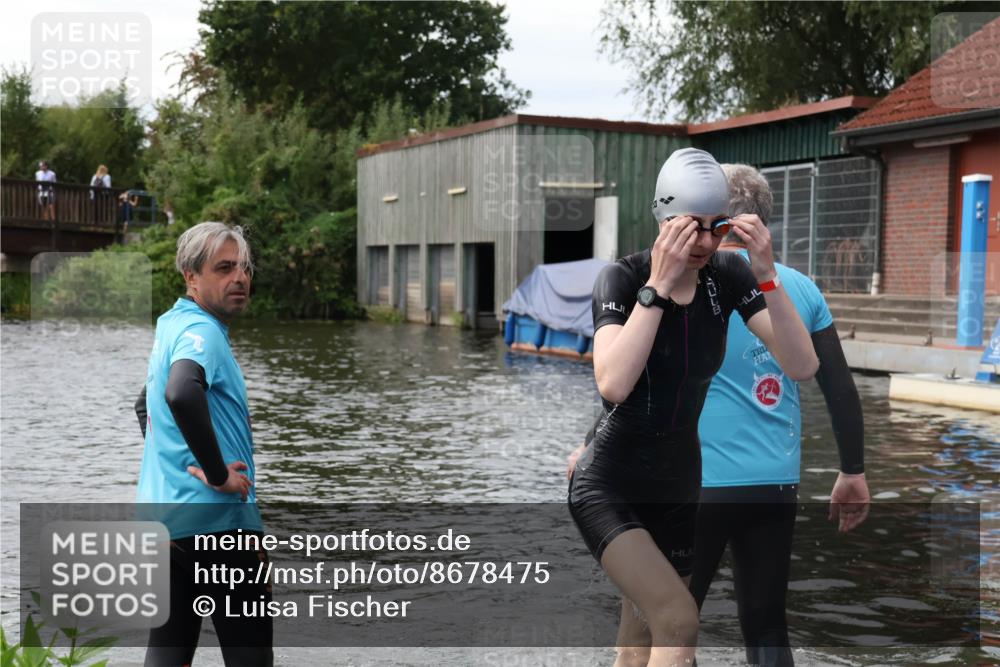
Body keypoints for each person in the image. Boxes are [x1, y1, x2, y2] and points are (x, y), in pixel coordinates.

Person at [569, 164, 871, 666]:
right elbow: (614, 384)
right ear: (664, 218)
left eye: (718, 226)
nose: (707, 241)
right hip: (611, 485)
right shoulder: (621, 278)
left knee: (638, 638)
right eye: (693, 226)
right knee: (679, 620)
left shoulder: (728, 277)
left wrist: (768, 275)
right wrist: (659, 288)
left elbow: (802, 366)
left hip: (681, 486)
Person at [134, 221, 272, 666]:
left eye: (245, 268)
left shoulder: (171, 325)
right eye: (224, 268)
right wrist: (216, 476)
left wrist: (176, 473)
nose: (240, 278)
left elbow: (144, 406)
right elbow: (181, 392)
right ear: (191, 277)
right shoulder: (204, 332)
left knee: (168, 655)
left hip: (165, 524)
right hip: (221, 529)